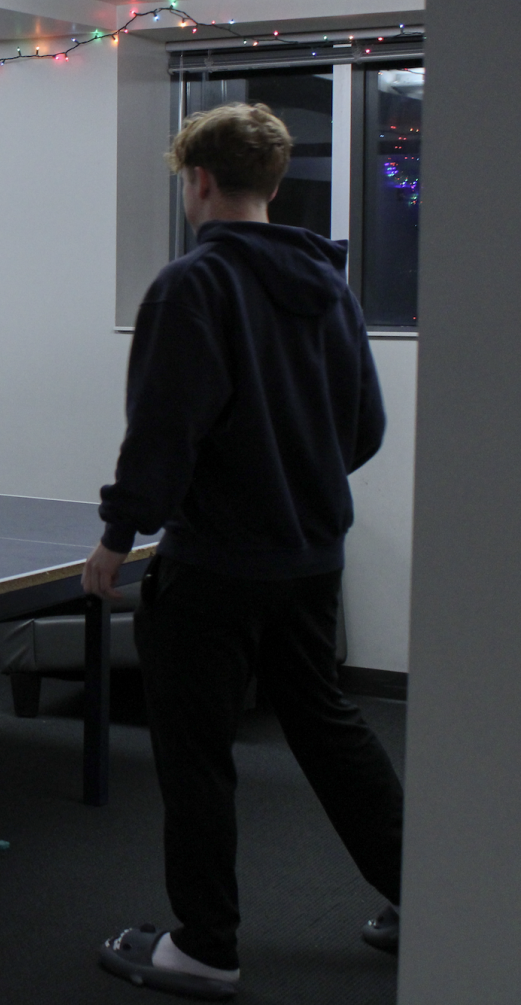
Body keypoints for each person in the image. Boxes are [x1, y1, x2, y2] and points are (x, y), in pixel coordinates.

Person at [84, 103, 404, 999]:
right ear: (272, 183)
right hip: (309, 556)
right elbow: (366, 426)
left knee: (196, 755)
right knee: (332, 731)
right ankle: (429, 896)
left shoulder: (193, 285)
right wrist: (293, 480)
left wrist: (117, 538)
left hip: (214, 566)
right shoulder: (330, 284)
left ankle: (205, 947)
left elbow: (163, 432)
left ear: (201, 182)